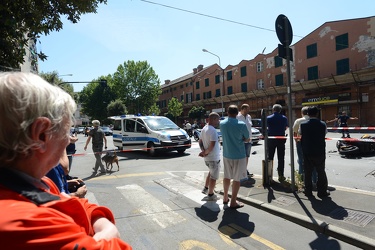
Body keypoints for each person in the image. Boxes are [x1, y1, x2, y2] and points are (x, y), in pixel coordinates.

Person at [0, 72, 131, 249]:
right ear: (41, 134)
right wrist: (110, 232)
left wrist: (99, 219)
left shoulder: (41, 182)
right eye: (67, 131)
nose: (69, 139)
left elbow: (73, 204)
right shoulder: (30, 224)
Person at [220, 105, 250, 209]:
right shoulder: (241, 124)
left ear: (227, 112)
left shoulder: (222, 123)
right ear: (237, 113)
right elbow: (247, 139)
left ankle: (225, 197)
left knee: (227, 177)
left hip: (227, 154)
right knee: (237, 179)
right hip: (239, 155)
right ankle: (233, 201)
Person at [300, 106, 330, 199]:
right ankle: (322, 192)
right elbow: (325, 133)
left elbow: (300, 133)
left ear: (308, 114)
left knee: (307, 172)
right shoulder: (322, 124)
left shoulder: (303, 125)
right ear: (317, 113)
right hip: (319, 151)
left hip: (307, 151)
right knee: (320, 171)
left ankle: (308, 191)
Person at [199, 112, 221, 201]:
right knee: (214, 177)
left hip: (207, 158)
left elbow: (200, 141)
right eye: (218, 119)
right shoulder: (212, 130)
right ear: (214, 119)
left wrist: (203, 151)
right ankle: (211, 194)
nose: (218, 122)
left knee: (210, 172)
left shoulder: (204, 128)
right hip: (213, 157)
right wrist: (206, 152)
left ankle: (206, 188)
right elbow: (212, 146)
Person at [267, 104, 288, 182]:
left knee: (270, 158)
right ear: (280, 110)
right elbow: (286, 127)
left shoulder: (268, 118)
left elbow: (266, 128)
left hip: (271, 139)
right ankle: (281, 175)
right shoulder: (284, 118)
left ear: (273, 110)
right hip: (281, 139)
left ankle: (269, 175)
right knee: (281, 158)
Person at [236, 103, 253, 178]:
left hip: (249, 140)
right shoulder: (237, 117)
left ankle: (244, 170)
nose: (248, 110)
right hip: (241, 141)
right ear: (242, 109)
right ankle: (239, 171)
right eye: (247, 109)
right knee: (240, 157)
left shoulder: (249, 116)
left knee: (246, 156)